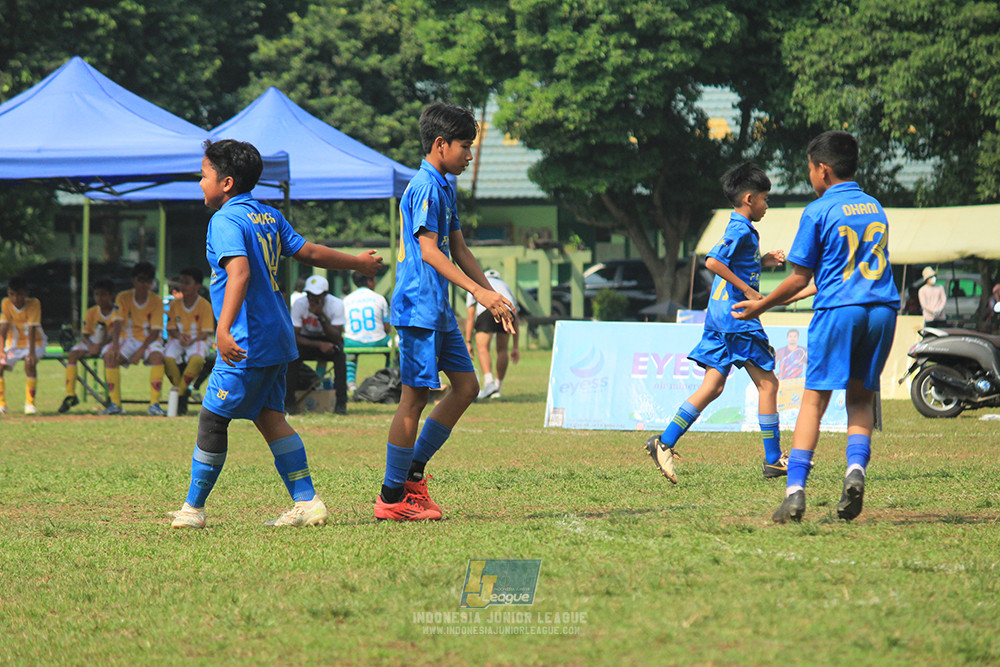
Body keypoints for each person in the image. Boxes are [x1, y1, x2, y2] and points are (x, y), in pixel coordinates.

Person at [169, 138, 381, 529]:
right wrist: (357, 262)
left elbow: (239, 273)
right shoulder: (267, 216)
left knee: (212, 419)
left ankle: (192, 510)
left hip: (247, 340)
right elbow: (311, 253)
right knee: (270, 416)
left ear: (227, 182)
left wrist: (223, 328)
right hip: (279, 337)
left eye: (204, 176)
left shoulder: (225, 221)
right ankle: (307, 502)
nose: (200, 183)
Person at [733, 130, 899, 524]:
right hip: (882, 309)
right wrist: (776, 302)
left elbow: (798, 277)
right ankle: (854, 473)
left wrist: (761, 306)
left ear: (822, 170)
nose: (810, 176)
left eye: (810, 169)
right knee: (860, 399)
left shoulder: (819, 210)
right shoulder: (874, 206)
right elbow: (830, 278)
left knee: (814, 401)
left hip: (840, 312)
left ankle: (794, 494)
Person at [376, 103, 514, 522]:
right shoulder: (424, 187)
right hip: (419, 308)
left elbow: (460, 249)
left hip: (438, 310)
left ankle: (413, 475)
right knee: (414, 398)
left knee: (467, 386)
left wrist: (492, 296)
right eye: (465, 147)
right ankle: (391, 496)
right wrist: (478, 293)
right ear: (440, 145)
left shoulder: (444, 186)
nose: (469, 156)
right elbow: (430, 252)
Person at [644, 162, 787, 483]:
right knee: (769, 384)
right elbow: (712, 261)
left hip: (718, 316)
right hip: (737, 317)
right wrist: (751, 291)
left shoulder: (743, 229)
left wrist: (761, 262)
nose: (767, 205)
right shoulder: (739, 227)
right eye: (765, 199)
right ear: (749, 199)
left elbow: (733, 263)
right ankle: (774, 459)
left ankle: (663, 442)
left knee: (713, 385)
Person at [101, 261, 166, 416]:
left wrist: (140, 351)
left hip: (148, 341)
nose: (143, 285)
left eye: (148, 281)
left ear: (152, 283)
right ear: (133, 280)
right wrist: (115, 345)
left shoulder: (156, 300)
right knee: (110, 356)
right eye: (140, 280)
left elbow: (156, 331)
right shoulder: (123, 297)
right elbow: (117, 323)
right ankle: (115, 404)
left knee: (157, 357)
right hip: (127, 339)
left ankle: (154, 405)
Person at [285, 274, 349, 415]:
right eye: (309, 294)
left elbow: (337, 337)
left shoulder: (336, 304)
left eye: (317, 295)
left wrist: (321, 316)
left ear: (325, 294)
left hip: (328, 339)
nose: (312, 298)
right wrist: (319, 344)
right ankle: (288, 403)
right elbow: (294, 337)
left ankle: (341, 403)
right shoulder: (299, 304)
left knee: (340, 357)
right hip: (306, 341)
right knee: (291, 357)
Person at [59, 278, 121, 414]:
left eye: (103, 294)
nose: (99, 298)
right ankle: (71, 395)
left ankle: (114, 400)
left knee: (109, 356)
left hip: (110, 342)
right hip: (93, 342)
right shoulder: (91, 312)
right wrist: (91, 345)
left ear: (111, 295)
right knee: (72, 354)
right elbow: (84, 335)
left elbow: (115, 334)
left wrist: (99, 346)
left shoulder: (117, 311)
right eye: (96, 294)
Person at [163, 267, 214, 415]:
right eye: (181, 282)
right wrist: (179, 336)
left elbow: (206, 332)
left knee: (197, 359)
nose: (182, 286)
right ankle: (182, 390)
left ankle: (179, 393)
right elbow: (171, 328)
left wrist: (192, 339)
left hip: (198, 340)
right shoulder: (174, 305)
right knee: (167, 358)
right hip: (178, 339)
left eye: (187, 283)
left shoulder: (204, 305)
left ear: (197, 286)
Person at [465, 269, 519, 400]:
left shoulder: (475, 283)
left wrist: (468, 341)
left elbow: (470, 317)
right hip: (506, 311)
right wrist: (515, 346)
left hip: (486, 309)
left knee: (483, 348)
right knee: (503, 349)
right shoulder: (505, 286)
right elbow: (515, 316)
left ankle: (489, 383)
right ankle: (497, 388)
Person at [0, 275, 47, 415]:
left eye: (19, 294)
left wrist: (31, 353)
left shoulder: (34, 303)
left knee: (29, 363)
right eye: (12, 294)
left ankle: (30, 404)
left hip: (36, 343)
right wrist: (1, 351)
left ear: (26, 293)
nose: (15, 298)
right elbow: (3, 329)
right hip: (14, 345)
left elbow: (32, 329)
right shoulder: (6, 303)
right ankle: (2, 404)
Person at [343, 270, 391, 392]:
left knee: (349, 345)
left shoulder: (346, 300)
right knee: (395, 346)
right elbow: (387, 328)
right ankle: (389, 376)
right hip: (378, 340)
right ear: (370, 281)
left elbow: (344, 326)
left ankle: (350, 382)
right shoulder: (379, 298)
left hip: (352, 342)